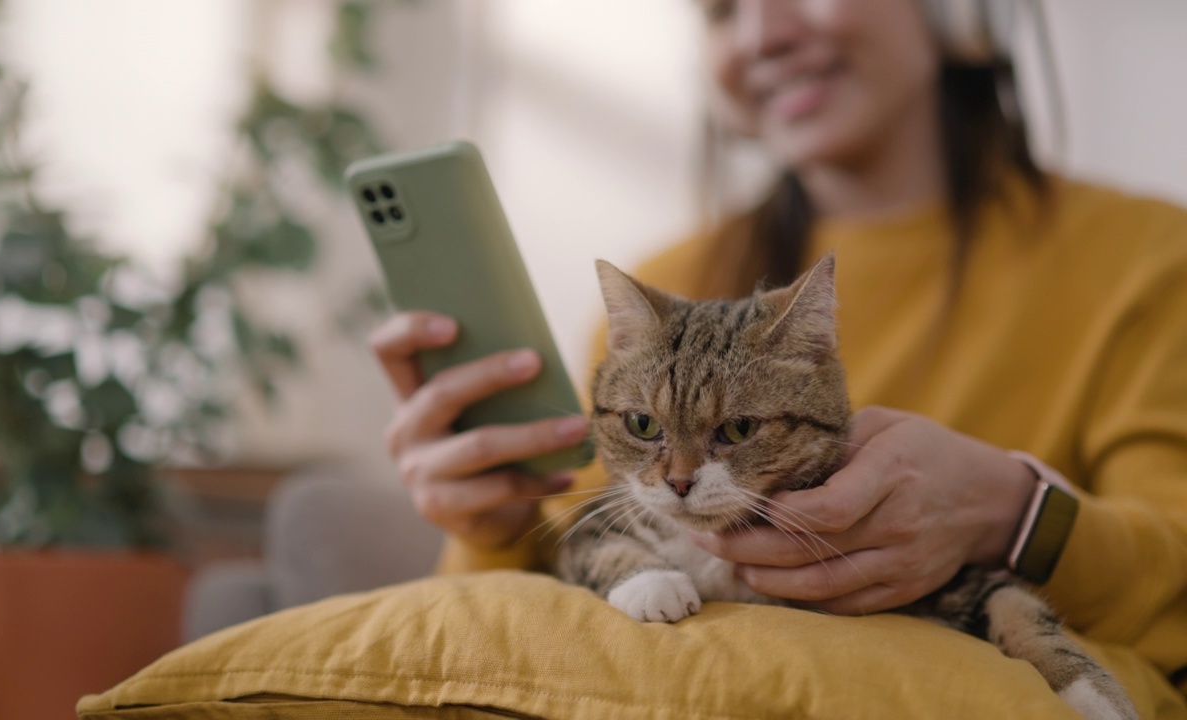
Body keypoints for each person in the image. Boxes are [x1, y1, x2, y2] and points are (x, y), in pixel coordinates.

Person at [370, 0, 1187, 700]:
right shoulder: (657, 290)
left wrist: (1017, 512)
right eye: (723, 8)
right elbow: (530, 629)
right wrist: (489, 516)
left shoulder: (1151, 259)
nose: (762, 33)